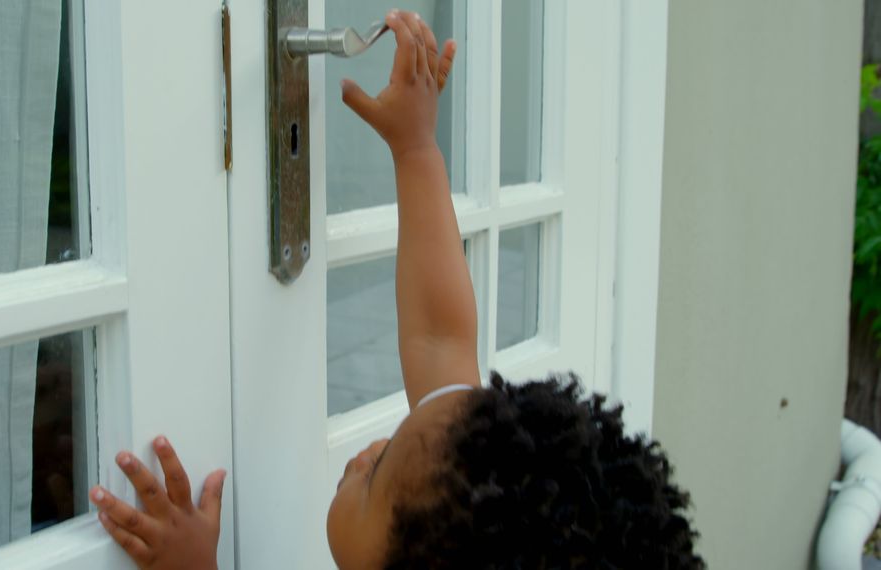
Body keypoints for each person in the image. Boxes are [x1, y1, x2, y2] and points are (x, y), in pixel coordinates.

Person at [88, 10, 703, 569]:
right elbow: (440, 337)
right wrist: (415, 150)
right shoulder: (458, 498)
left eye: (377, 471)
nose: (368, 450)